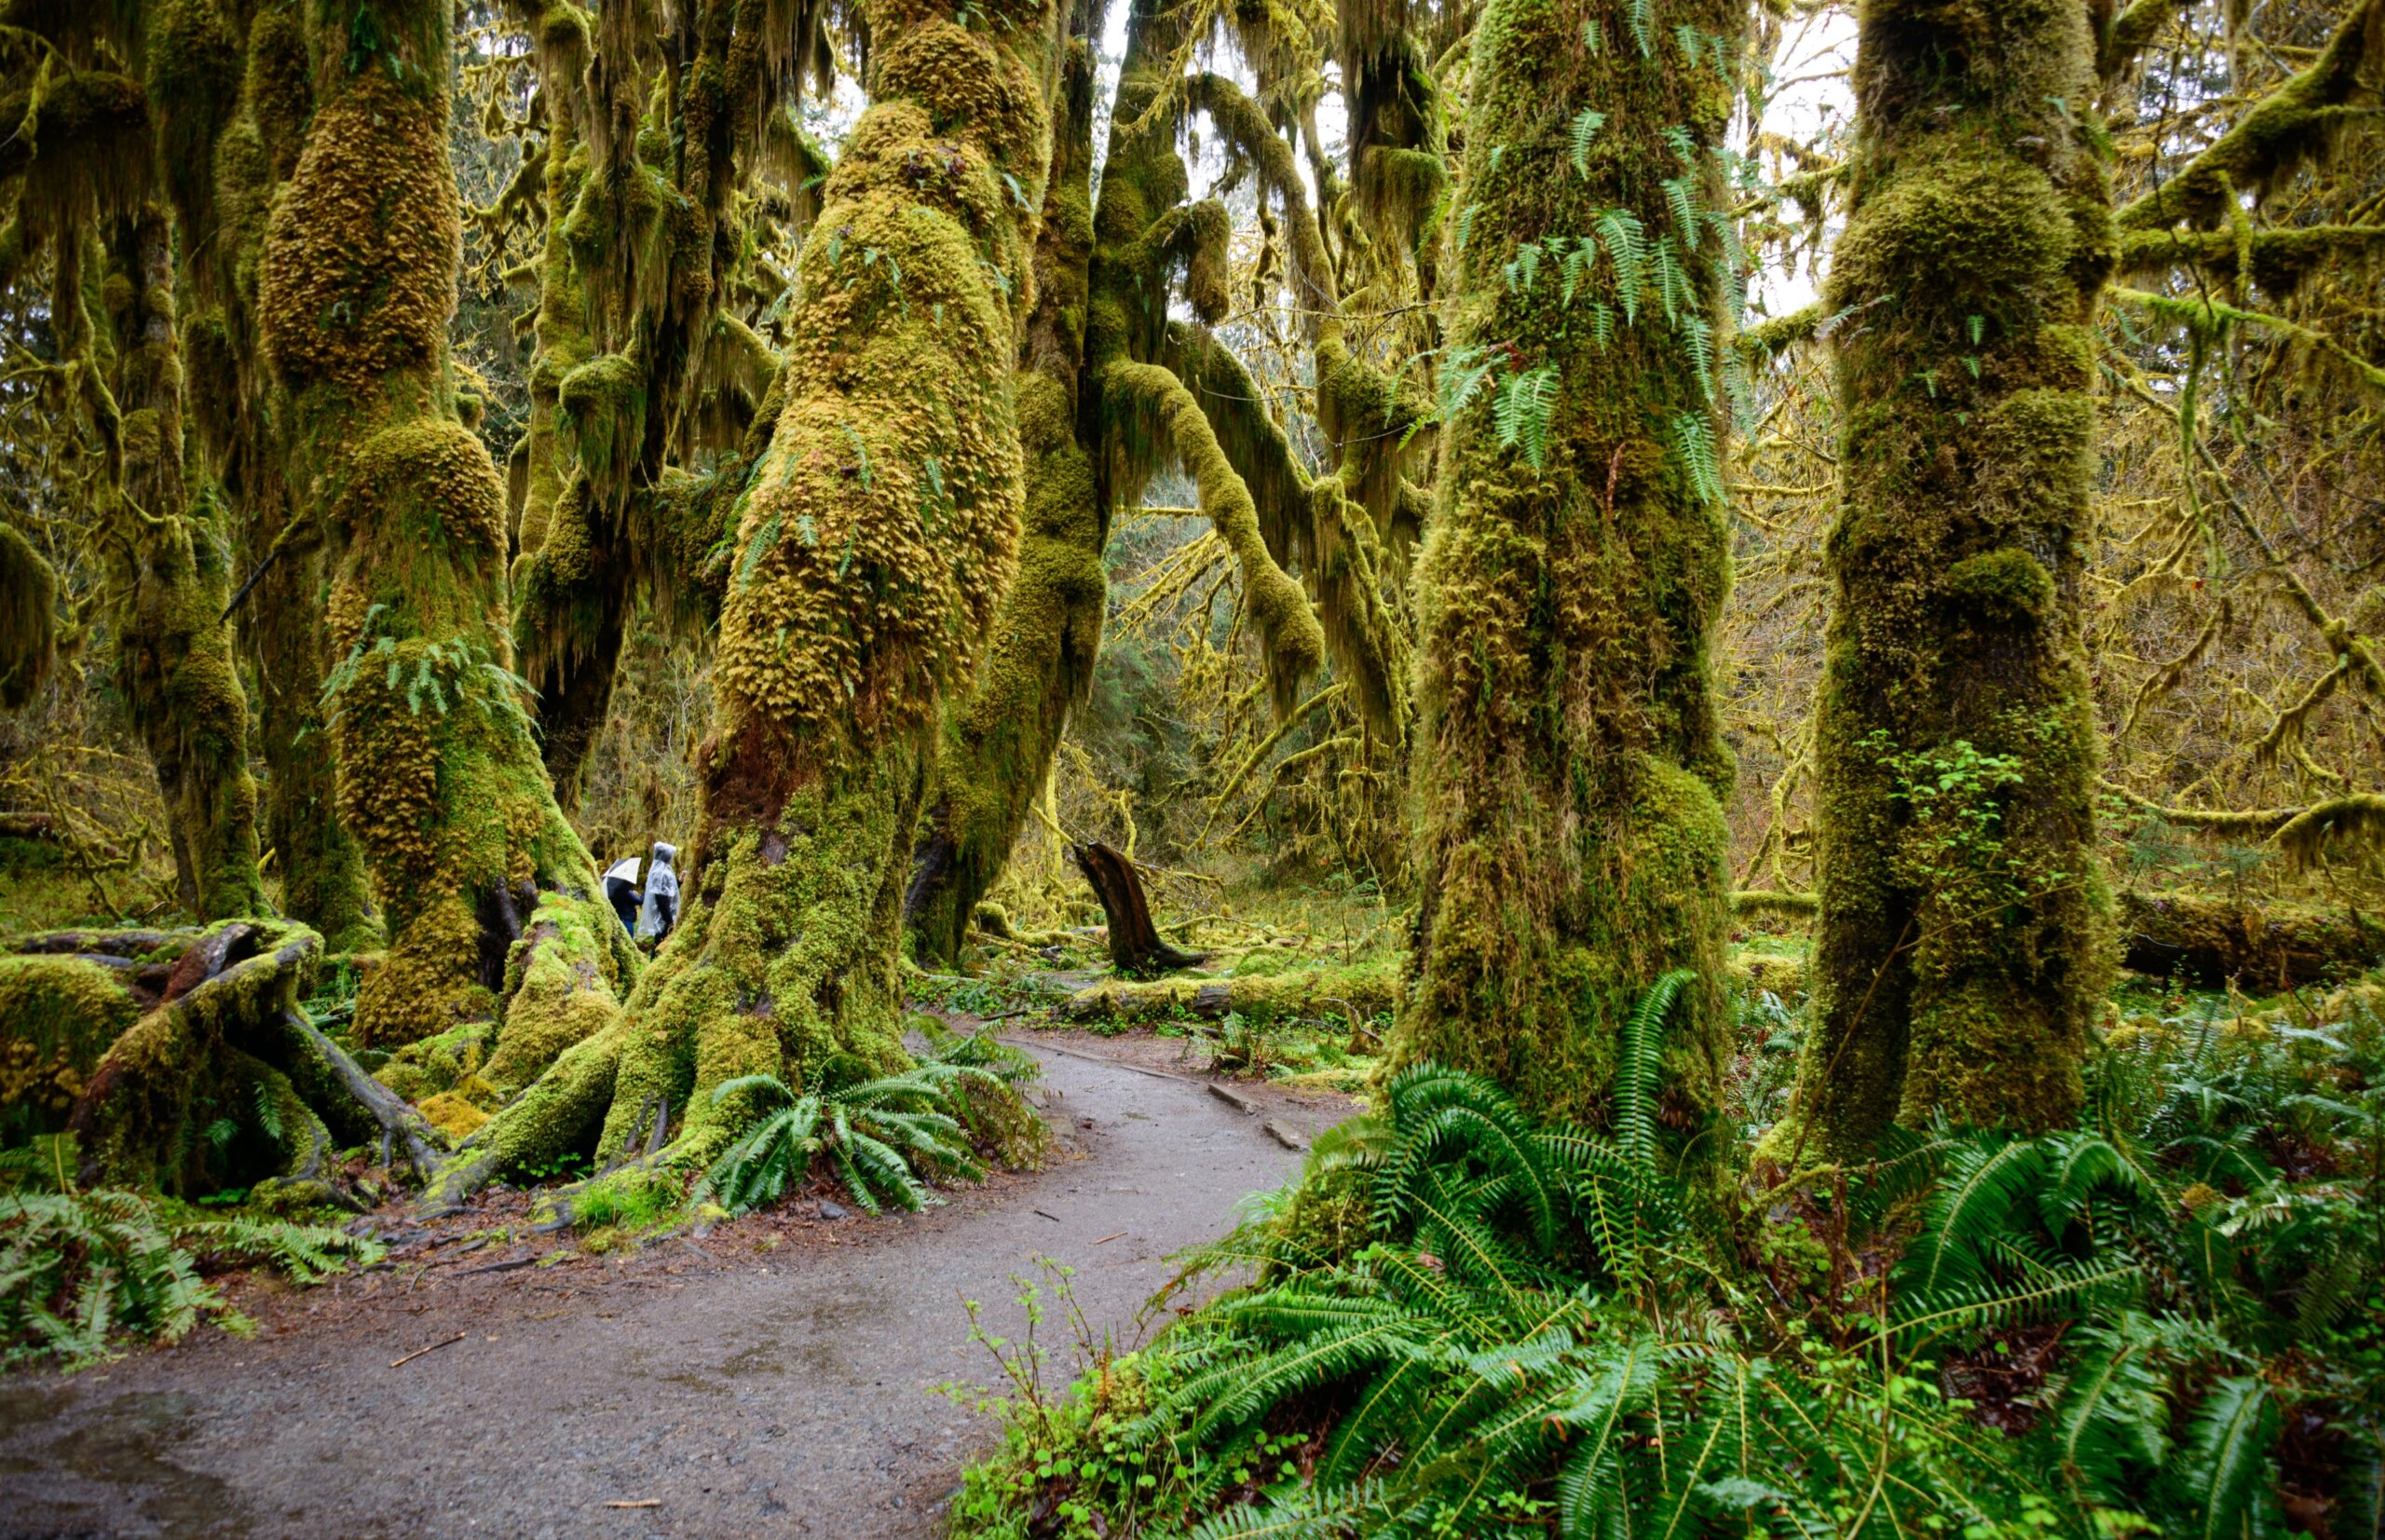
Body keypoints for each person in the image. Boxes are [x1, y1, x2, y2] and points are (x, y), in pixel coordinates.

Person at [635, 841, 679, 943]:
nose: (672, 858)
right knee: (660, 942)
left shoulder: (661, 870)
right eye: (671, 855)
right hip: (663, 919)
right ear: (666, 855)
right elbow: (661, 898)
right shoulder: (661, 872)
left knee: (660, 942)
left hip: (664, 918)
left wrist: (679, 881)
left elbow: (669, 890)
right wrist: (669, 921)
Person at [603, 853, 643, 936]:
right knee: (630, 940)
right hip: (627, 920)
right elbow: (640, 901)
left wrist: (632, 892)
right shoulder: (626, 892)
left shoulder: (618, 891)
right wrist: (647, 888)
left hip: (622, 918)